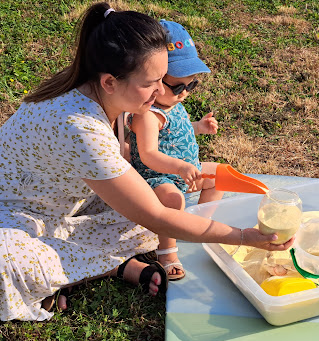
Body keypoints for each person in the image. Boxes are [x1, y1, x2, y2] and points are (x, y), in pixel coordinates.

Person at [0, 2, 292, 322]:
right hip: (16, 215)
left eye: (161, 79)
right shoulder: (80, 127)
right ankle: (96, 267)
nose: (158, 93)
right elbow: (156, 217)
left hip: (66, 200)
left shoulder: (93, 87)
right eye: (150, 82)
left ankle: (83, 262)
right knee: (9, 260)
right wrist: (242, 236)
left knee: (158, 214)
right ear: (110, 81)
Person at [129, 20, 223, 281]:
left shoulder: (171, 102)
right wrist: (179, 168)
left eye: (191, 85)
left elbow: (175, 133)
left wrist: (198, 127)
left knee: (219, 177)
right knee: (173, 200)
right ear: (156, 79)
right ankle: (167, 252)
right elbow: (148, 153)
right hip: (156, 177)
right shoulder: (149, 114)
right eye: (178, 87)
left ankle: (197, 225)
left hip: (185, 171)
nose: (184, 93)